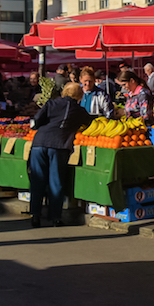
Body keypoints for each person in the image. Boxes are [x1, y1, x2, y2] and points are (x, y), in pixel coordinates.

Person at [28, 83, 94, 227]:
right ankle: (55, 218)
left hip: (39, 143)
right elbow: (90, 123)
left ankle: (35, 215)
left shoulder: (51, 103)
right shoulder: (78, 110)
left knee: (37, 180)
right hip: (59, 145)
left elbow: (37, 119)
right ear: (79, 95)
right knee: (55, 181)